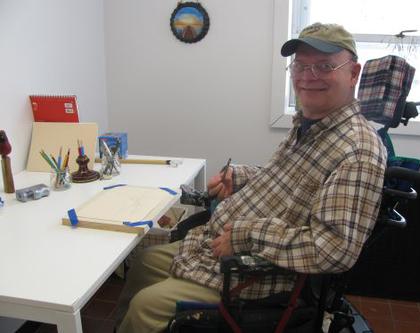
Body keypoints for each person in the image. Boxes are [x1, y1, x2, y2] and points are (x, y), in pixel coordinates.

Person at [115, 22, 387, 333]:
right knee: (144, 263)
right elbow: (284, 178)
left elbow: (332, 249)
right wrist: (239, 176)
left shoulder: (358, 150)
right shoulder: (310, 125)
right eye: (300, 65)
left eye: (324, 66)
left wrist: (246, 235)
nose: (308, 76)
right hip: (221, 245)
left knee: (146, 307)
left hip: (259, 275)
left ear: (353, 73)